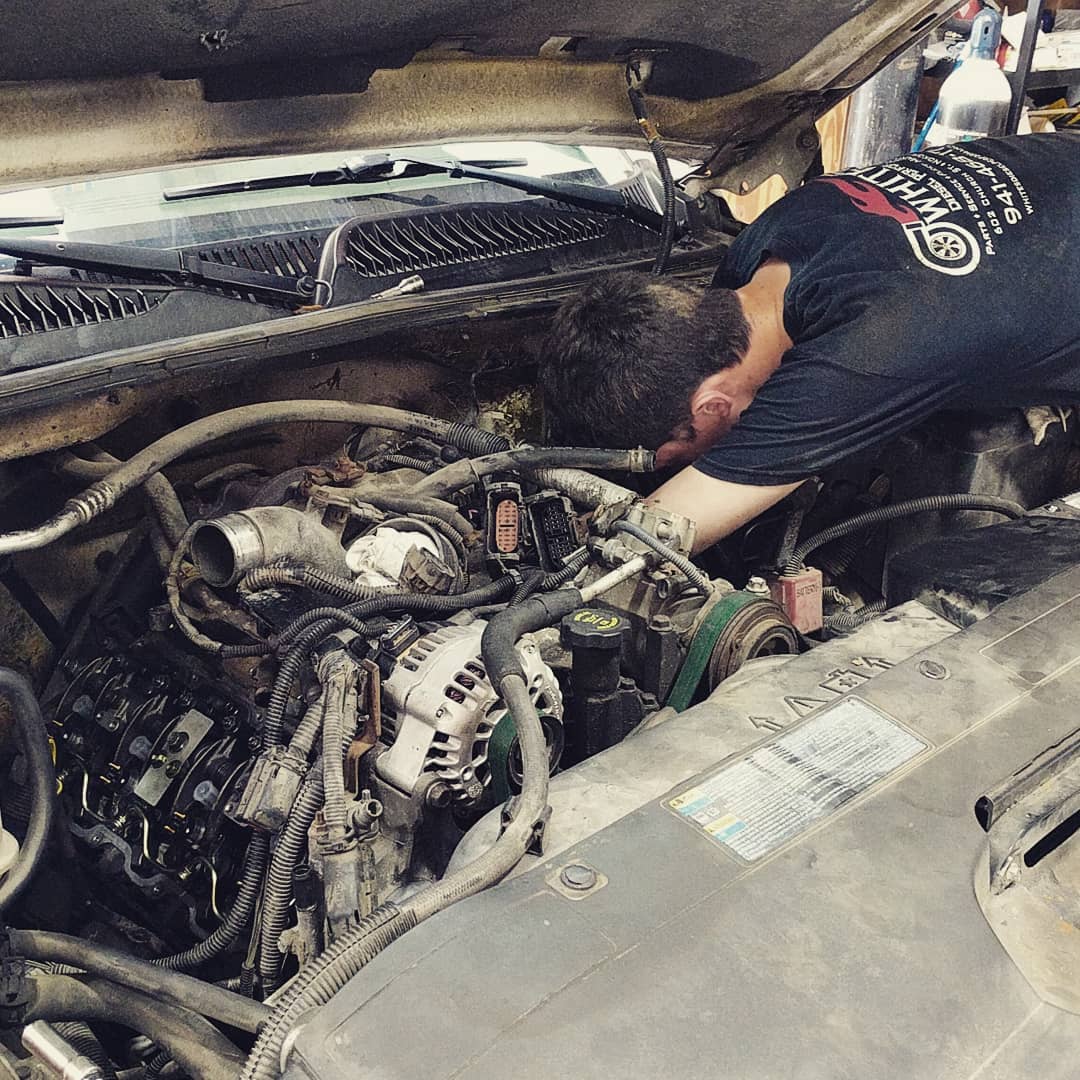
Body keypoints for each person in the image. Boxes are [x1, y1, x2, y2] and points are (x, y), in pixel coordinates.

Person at [538, 131, 1080, 552]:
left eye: (672, 457)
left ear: (712, 407)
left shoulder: (869, 349)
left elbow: (661, 539)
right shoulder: (760, 246)